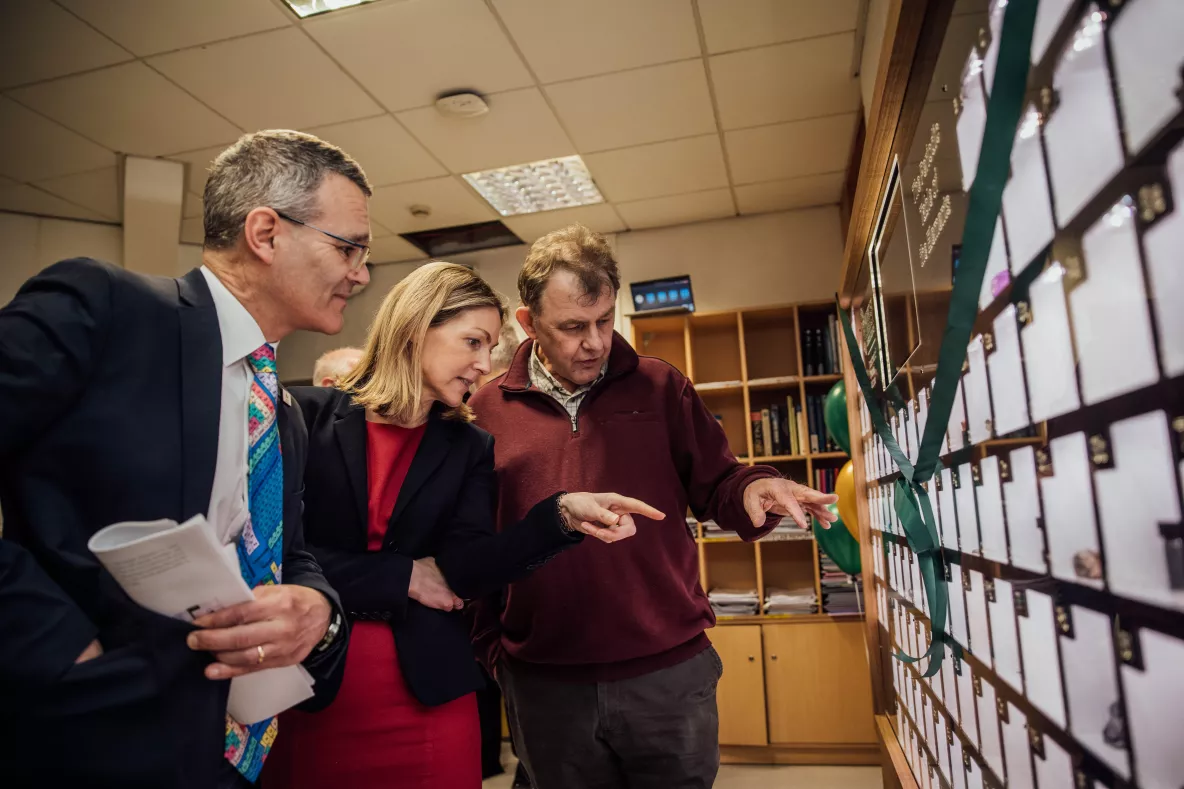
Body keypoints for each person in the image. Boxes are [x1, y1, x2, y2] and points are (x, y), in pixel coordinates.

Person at [0, 129, 374, 788]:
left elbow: (292, 552)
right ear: (265, 232)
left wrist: (318, 611)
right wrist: (65, 650)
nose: (361, 273)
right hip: (74, 735)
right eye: (349, 247)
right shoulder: (105, 310)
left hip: (219, 751)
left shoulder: (281, 411)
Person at [263, 262, 662, 789]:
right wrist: (402, 576)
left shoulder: (469, 446)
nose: (483, 364)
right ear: (415, 326)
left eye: (490, 348)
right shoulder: (304, 416)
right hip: (310, 690)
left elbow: (465, 569)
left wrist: (561, 514)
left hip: (429, 694)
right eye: (472, 342)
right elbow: (273, 556)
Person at [468, 224, 840, 789]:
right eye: (572, 327)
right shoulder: (485, 409)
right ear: (527, 322)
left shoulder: (660, 387)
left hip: (666, 672)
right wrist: (494, 651)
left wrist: (751, 489)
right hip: (544, 680)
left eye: (604, 320)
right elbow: (475, 543)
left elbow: (718, 482)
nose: (594, 342)